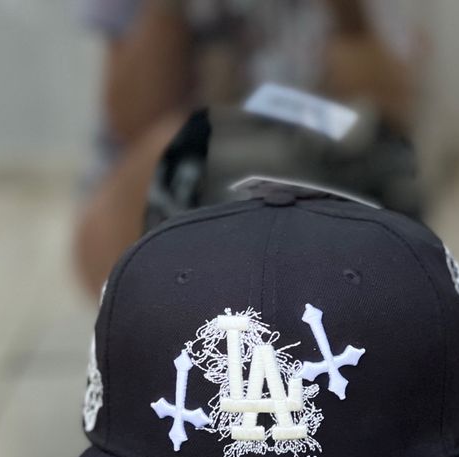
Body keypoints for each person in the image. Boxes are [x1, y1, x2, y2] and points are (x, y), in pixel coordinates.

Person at [75, 0, 415, 296]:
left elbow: (394, 115)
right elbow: (130, 120)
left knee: (373, 156)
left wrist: (348, 15)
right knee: (168, 148)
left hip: (311, 167)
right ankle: (154, 320)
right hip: (191, 182)